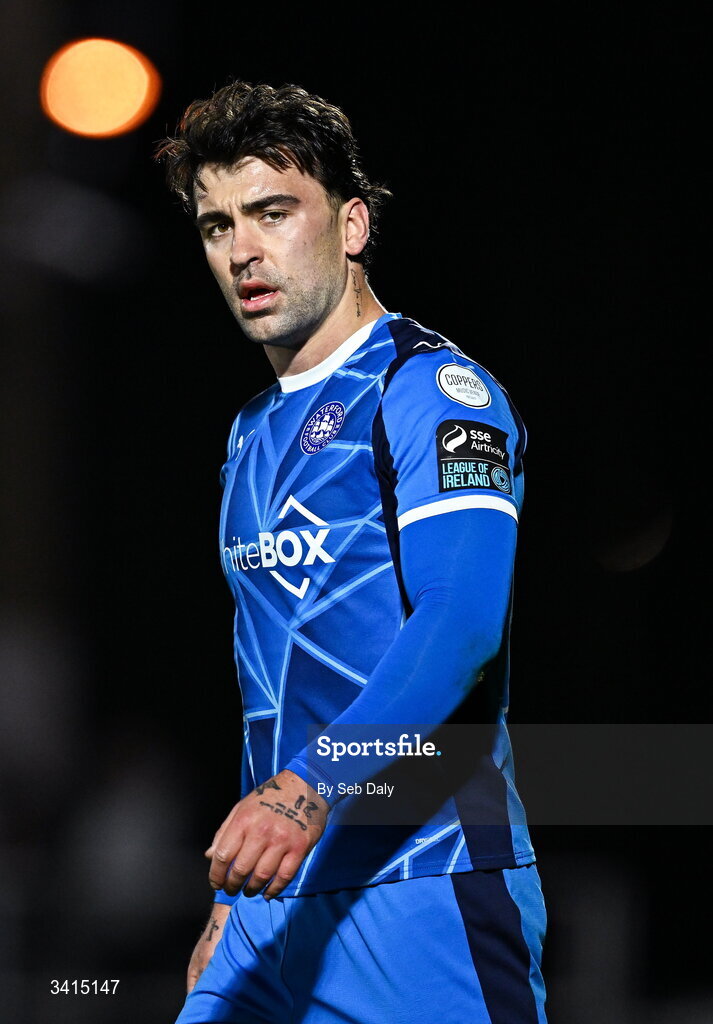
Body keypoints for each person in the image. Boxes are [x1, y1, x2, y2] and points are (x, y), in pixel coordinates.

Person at [156, 80, 547, 1024]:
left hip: (424, 881)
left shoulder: (435, 394)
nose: (243, 249)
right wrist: (231, 891)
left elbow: (459, 627)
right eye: (217, 226)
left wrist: (302, 794)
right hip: (274, 894)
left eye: (273, 213)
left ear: (354, 224)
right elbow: (277, 681)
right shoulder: (250, 433)